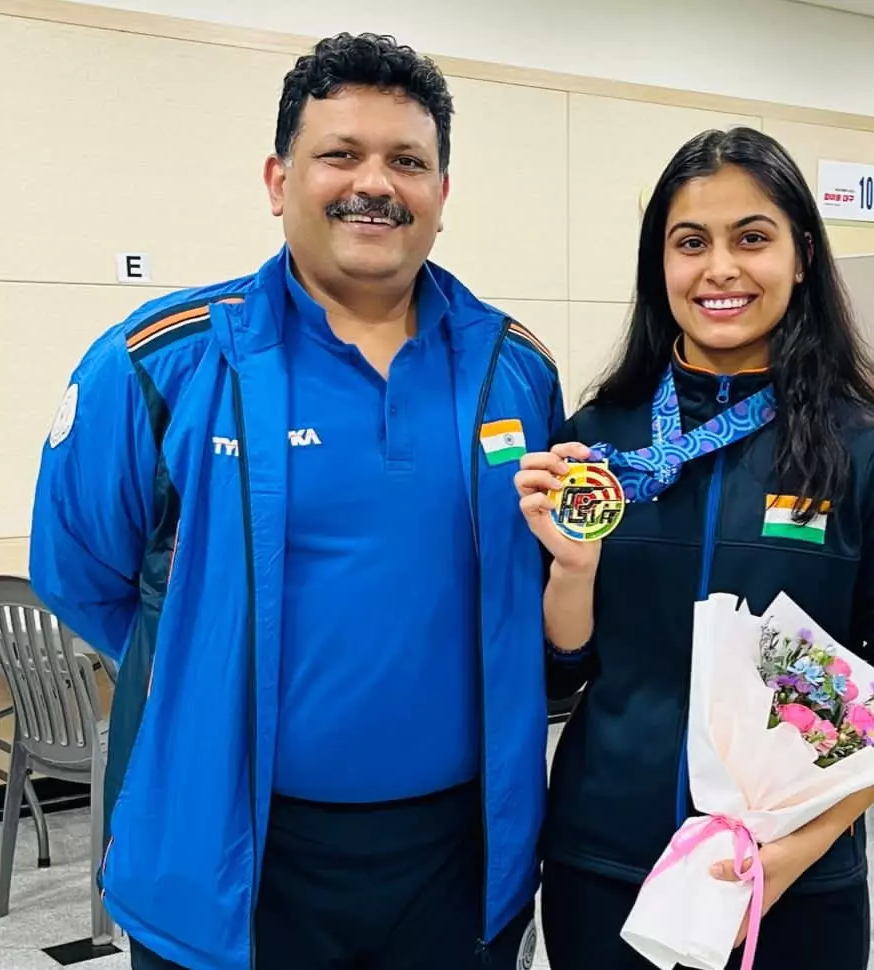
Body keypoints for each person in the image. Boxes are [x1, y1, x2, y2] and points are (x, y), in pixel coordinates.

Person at [29, 32, 559, 970]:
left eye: (408, 160)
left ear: (442, 192)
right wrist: (200, 668)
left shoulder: (513, 372)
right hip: (230, 853)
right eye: (339, 154)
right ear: (279, 180)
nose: (375, 183)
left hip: (456, 862)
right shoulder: (163, 362)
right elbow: (80, 573)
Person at [514, 126, 874, 970]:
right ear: (661, 269)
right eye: (691, 243)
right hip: (604, 859)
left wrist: (799, 848)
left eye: (752, 238)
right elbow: (560, 672)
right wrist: (572, 570)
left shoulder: (869, 453)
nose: (720, 269)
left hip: (793, 876)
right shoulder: (599, 443)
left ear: (801, 258)